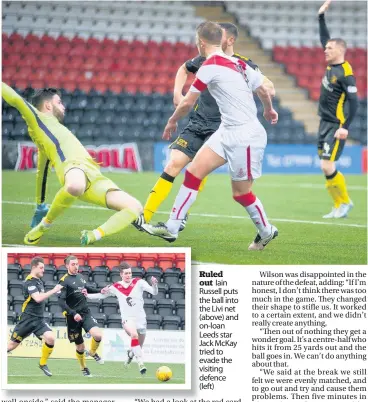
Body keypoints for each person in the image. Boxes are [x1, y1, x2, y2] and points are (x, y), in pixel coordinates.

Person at [142, 21, 278, 250]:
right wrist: (269, 109)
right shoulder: (239, 64)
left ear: (201, 43)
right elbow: (263, 89)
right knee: (194, 171)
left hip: (245, 136)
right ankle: (172, 226)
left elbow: (187, 103)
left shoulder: (210, 65)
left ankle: (266, 231)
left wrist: (172, 121)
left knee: (241, 194)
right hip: (226, 130)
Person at [1, 83, 142, 245]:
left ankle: (93, 235)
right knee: (75, 185)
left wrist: (40, 204)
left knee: (135, 207)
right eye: (59, 102)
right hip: (73, 168)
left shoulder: (54, 132)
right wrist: (40, 206)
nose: (63, 106)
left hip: (95, 177)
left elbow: (42, 174)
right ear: (48, 105)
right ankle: (44, 225)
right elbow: (15, 99)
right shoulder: (39, 120)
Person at [317, 0, 358, 218]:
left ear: (340, 51)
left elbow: (355, 102)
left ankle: (343, 203)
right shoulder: (331, 65)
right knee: (325, 166)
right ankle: (339, 204)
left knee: (326, 165)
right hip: (324, 122)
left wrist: (345, 127)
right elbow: (325, 38)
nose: (325, 50)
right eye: (326, 48)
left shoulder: (345, 73)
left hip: (335, 125)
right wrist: (321, 17)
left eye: (330, 48)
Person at [85, 262, 158, 375]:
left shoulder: (139, 282)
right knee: (134, 335)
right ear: (121, 274)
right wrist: (87, 296)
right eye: (126, 273)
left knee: (138, 346)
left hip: (141, 319)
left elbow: (154, 292)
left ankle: (130, 355)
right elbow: (102, 295)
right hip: (127, 319)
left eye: (130, 273)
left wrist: (154, 285)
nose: (129, 275)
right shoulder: (116, 286)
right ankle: (141, 364)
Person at [7, 256, 62, 377]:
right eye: (41, 267)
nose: (44, 270)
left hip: (39, 320)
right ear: (34, 267)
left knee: (51, 338)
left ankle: (42, 363)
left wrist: (56, 292)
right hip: (27, 319)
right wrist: (53, 290)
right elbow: (37, 298)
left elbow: (41, 295)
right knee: (11, 346)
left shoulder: (38, 281)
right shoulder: (30, 282)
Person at [58, 255, 104, 377]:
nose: (76, 266)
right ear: (67, 265)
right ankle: (84, 367)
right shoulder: (64, 281)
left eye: (77, 264)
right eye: (73, 264)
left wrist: (100, 290)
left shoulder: (80, 276)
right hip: (72, 317)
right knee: (80, 347)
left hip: (85, 313)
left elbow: (87, 289)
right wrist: (73, 313)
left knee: (98, 335)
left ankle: (93, 352)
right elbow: (61, 302)